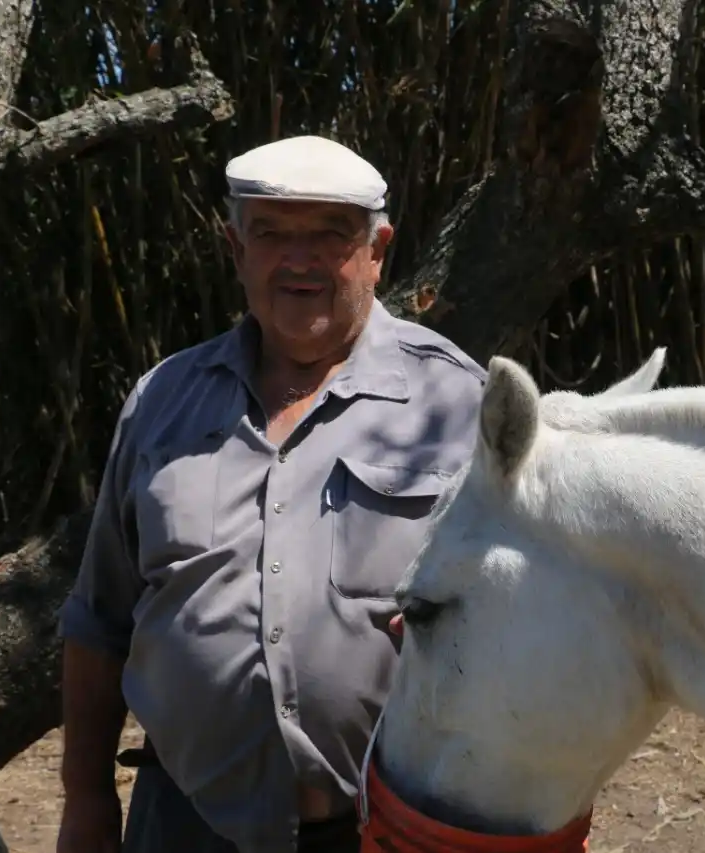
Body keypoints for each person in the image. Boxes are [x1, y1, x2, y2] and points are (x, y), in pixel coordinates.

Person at [54, 135, 486, 853]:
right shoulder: (161, 401)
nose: (300, 261)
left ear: (378, 249)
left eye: (330, 235)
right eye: (272, 234)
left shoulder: (458, 403)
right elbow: (100, 620)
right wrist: (86, 800)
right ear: (235, 247)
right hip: (180, 825)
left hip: (390, 831)